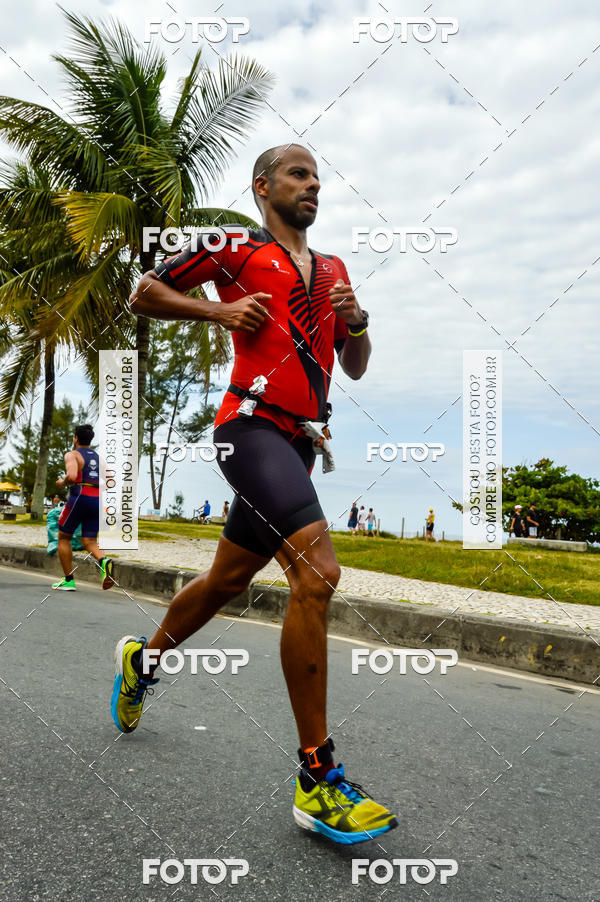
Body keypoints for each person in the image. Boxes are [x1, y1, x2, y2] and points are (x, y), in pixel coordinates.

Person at [112, 143, 396, 844]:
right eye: (299, 174)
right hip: (249, 430)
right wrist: (219, 314)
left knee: (224, 582)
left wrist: (356, 320)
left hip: (299, 442)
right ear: (263, 185)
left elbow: (353, 368)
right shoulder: (234, 246)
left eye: (318, 177)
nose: (313, 185)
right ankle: (316, 776)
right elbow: (143, 291)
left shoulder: (332, 271)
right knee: (317, 573)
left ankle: (142, 661)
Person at [51, 424, 114, 591]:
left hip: (78, 498)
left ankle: (68, 580)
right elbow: (111, 481)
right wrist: (96, 489)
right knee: (90, 541)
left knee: (64, 537)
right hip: (97, 501)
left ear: (76, 438)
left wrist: (61, 482)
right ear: (90, 439)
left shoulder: (73, 455)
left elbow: (71, 476)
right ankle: (104, 561)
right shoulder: (98, 457)